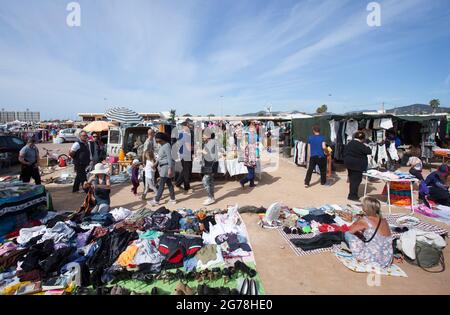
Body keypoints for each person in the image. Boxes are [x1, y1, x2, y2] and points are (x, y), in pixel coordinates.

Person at [344, 197, 393, 268]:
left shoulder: (365, 220)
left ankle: (354, 251)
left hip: (373, 259)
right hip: (386, 259)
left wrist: (356, 220)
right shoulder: (384, 220)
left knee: (347, 234)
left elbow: (351, 230)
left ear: (365, 208)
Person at [149, 132, 176, 206]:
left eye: (159, 141)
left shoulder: (167, 145)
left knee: (161, 184)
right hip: (163, 166)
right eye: (157, 141)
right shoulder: (163, 145)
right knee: (169, 183)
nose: (158, 143)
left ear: (163, 139)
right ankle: (173, 199)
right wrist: (155, 164)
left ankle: (156, 200)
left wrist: (170, 168)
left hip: (166, 167)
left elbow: (169, 158)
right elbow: (160, 157)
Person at [344, 131, 372, 201]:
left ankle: (352, 194)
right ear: (362, 139)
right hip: (357, 165)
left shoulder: (350, 143)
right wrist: (366, 145)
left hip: (348, 163)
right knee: (356, 180)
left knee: (352, 179)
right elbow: (369, 151)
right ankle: (352, 196)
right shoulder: (360, 145)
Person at [201, 128, 218, 205]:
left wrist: (202, 151)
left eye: (203, 135)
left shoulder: (212, 142)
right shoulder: (208, 142)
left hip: (211, 164)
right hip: (208, 164)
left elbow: (212, 155)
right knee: (210, 181)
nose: (202, 136)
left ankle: (210, 197)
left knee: (205, 181)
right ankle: (211, 197)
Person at [175, 121, 193, 193]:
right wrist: (195, 148)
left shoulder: (181, 134)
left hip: (182, 155)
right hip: (186, 155)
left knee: (185, 171)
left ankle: (178, 184)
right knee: (186, 171)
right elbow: (189, 148)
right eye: (188, 125)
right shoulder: (186, 135)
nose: (189, 127)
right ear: (185, 126)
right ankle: (186, 187)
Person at [240, 122, 258, 188]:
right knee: (251, 174)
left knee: (252, 171)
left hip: (251, 156)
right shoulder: (247, 136)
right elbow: (244, 146)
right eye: (252, 129)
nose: (253, 130)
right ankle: (242, 181)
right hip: (249, 157)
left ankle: (251, 184)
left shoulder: (253, 136)